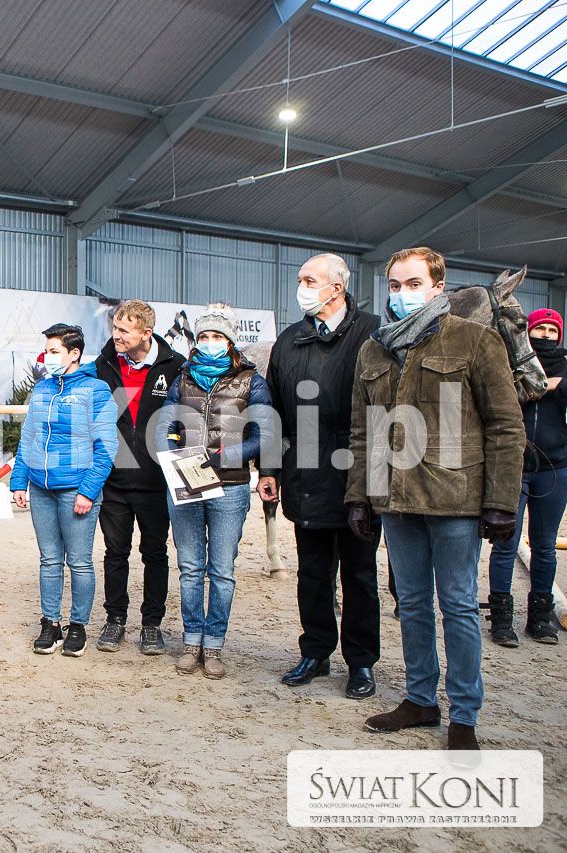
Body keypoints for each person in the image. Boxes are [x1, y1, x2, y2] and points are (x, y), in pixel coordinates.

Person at [346, 246, 523, 751]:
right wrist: (360, 496)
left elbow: (505, 425)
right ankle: (421, 699)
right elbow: (363, 432)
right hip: (396, 501)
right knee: (412, 604)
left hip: (455, 499)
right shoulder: (374, 350)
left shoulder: (475, 340)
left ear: (438, 287)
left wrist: (501, 501)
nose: (402, 294)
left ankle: (464, 714)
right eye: (395, 285)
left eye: (413, 284)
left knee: (459, 605)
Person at [258, 254, 382, 700]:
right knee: (312, 574)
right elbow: (272, 412)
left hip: (359, 473)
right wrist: (269, 469)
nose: (302, 287)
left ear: (337, 287)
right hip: (305, 472)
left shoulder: (372, 333)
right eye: (301, 279)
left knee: (360, 575)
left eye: (310, 280)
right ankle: (315, 651)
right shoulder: (290, 340)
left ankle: (361, 661)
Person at [155, 303, 274, 680]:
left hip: (231, 485)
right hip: (187, 480)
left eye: (217, 336)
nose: (209, 342)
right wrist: (173, 455)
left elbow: (265, 434)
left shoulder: (251, 381)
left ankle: (215, 643)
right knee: (190, 568)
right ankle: (192, 640)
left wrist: (230, 454)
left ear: (230, 341)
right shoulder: (183, 378)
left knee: (222, 570)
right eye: (204, 336)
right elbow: (165, 424)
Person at [10, 324, 118, 657]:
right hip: (41, 489)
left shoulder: (96, 390)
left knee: (80, 563)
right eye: (46, 351)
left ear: (74, 354)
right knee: (49, 560)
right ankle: (51, 623)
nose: (47, 357)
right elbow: (28, 438)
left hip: (76, 489)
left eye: (54, 351)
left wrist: (88, 490)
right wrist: (19, 481)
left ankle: (78, 626)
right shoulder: (42, 389)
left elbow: (107, 447)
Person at [92, 300, 185, 654]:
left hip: (156, 482)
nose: (115, 336)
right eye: (114, 328)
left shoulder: (175, 367)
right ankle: (115, 619)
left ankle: (151, 625)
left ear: (146, 333)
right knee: (115, 553)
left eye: (123, 330)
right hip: (114, 480)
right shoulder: (103, 365)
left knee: (155, 554)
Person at [486, 307, 567, 647]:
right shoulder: (508, 365)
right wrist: (538, 385)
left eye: (552, 331)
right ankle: (501, 619)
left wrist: (557, 385)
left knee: (545, 546)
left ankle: (540, 618)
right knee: (506, 543)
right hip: (513, 467)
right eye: (540, 329)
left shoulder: (566, 369)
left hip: (555, 468)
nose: (545, 336)